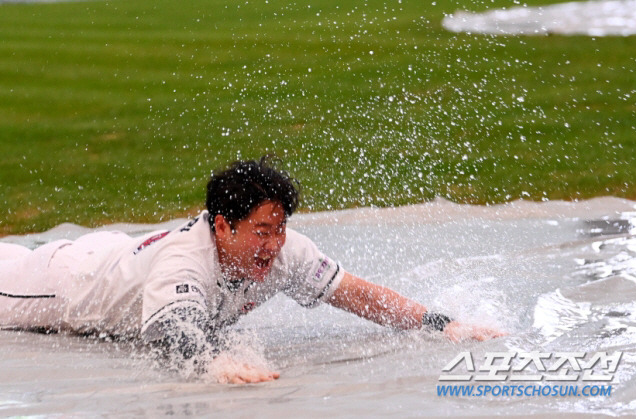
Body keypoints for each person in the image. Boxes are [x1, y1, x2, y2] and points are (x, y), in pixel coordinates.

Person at [0, 157, 503, 384]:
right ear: (222, 226)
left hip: (113, 254)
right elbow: (174, 336)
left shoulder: (285, 250)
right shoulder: (185, 259)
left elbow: (357, 294)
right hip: (54, 285)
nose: (274, 244)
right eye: (262, 230)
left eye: (280, 228)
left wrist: (443, 324)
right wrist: (215, 363)